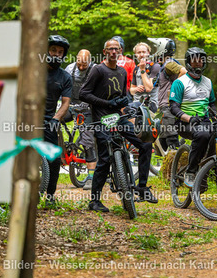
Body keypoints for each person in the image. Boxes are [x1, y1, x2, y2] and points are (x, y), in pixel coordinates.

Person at [79, 38, 158, 212]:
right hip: (101, 120)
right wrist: (107, 103)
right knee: (104, 159)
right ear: (105, 51)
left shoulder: (122, 71)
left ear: (121, 50)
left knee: (145, 144)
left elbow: (124, 95)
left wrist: (128, 106)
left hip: (119, 118)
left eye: (116, 49)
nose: (113, 52)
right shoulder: (98, 70)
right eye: (110, 49)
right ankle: (95, 201)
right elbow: (83, 93)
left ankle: (142, 188)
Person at [169, 47, 217, 211]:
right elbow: (173, 107)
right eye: (195, 59)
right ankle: (191, 171)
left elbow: (211, 103)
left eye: (201, 59)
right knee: (203, 134)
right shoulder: (180, 82)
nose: (198, 62)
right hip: (185, 122)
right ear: (189, 62)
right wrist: (188, 118)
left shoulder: (207, 82)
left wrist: (216, 117)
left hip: (205, 122)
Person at [43, 35, 73, 207]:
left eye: (60, 52)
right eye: (53, 50)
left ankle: (50, 195)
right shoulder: (33, 71)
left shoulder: (65, 77)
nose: (56, 54)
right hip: (27, 119)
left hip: (50, 121)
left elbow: (66, 102)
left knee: (54, 159)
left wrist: (56, 118)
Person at [64, 49, 97, 190]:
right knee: (54, 122)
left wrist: (90, 103)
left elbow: (99, 90)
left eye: (84, 64)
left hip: (88, 107)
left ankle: (91, 177)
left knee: (87, 139)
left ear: (90, 61)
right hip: (71, 105)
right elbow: (63, 86)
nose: (81, 67)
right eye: (79, 64)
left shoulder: (96, 70)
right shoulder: (69, 68)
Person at [150, 37, 186, 151]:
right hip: (164, 107)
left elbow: (184, 71)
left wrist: (175, 87)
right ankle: (167, 160)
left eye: (157, 47)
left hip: (168, 106)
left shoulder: (169, 64)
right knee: (163, 140)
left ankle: (178, 157)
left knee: (171, 138)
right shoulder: (164, 65)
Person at [130, 42, 161, 113]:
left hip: (150, 103)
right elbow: (131, 91)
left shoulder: (155, 66)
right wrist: (136, 89)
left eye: (144, 52)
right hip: (136, 102)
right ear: (135, 54)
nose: (141, 55)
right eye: (139, 52)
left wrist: (142, 70)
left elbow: (148, 88)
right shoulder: (136, 68)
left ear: (148, 53)